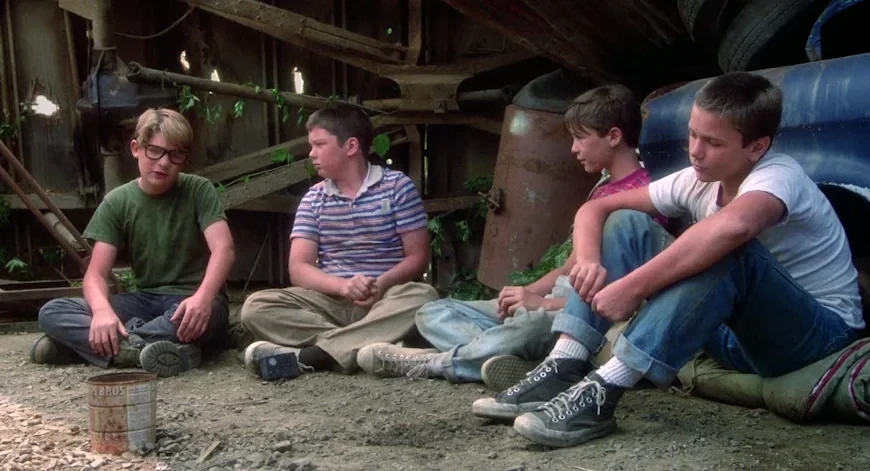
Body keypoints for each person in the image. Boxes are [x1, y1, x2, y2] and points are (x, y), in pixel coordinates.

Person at [472, 72, 864, 449]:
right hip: (736, 338)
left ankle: (603, 390)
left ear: (757, 147)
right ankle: (564, 363)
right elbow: (596, 209)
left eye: (712, 142)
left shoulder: (779, 177)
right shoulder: (697, 178)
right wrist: (588, 261)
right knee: (627, 221)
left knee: (728, 249)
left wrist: (633, 287)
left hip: (814, 336)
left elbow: (734, 228)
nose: (695, 151)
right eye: (693, 134)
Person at [355, 85, 666, 389]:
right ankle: (517, 363)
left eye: (581, 138)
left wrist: (544, 305)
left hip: (577, 316)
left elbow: (619, 299)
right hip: (550, 302)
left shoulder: (646, 200)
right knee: (434, 312)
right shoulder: (603, 189)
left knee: (531, 326)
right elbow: (569, 268)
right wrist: (524, 293)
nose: (573, 148)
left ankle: (436, 363)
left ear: (613, 136)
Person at [32, 108, 235, 377]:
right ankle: (152, 349)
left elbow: (224, 249)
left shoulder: (199, 189)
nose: (164, 162)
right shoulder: (117, 201)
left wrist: (203, 298)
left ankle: (88, 347)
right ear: (136, 148)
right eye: (155, 151)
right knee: (53, 311)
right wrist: (102, 312)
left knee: (193, 320)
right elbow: (96, 275)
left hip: (192, 299)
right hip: (145, 300)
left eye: (175, 155)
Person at [240, 104, 438, 378]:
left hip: (387, 298)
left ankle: (312, 356)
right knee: (255, 307)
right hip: (330, 303)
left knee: (424, 297)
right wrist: (343, 287)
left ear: (351, 146)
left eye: (319, 144)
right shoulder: (313, 199)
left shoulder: (397, 187)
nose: (312, 153)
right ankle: (371, 344)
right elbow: (298, 268)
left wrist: (380, 284)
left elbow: (418, 258)